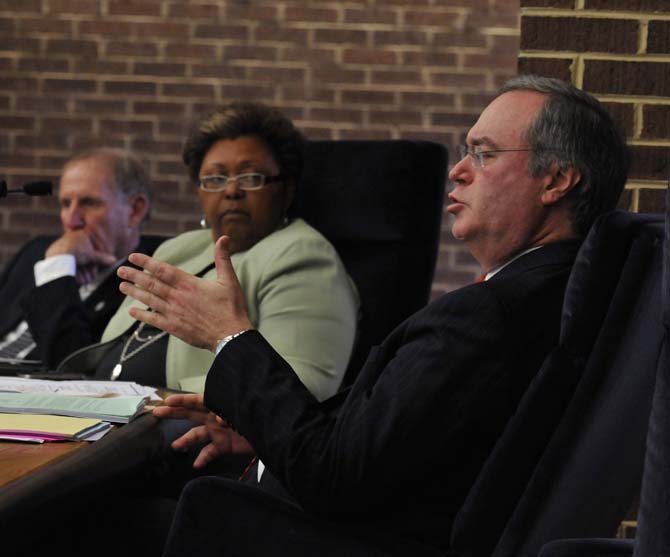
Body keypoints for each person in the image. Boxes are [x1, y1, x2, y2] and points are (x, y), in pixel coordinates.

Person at [119, 75, 629, 553]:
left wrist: (228, 336)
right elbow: (396, 445)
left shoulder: (489, 317)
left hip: (332, 536)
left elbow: (334, 477)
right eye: (465, 152)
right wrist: (267, 431)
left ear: (556, 180)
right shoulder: (554, 297)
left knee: (91, 517)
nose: (458, 170)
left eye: (484, 154)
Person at [96, 102, 358, 395]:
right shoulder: (177, 249)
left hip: (177, 428)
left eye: (250, 178)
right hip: (101, 407)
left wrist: (160, 402)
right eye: (215, 179)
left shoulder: (302, 256)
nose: (232, 191)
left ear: (286, 189)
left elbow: (302, 387)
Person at [0, 148, 160, 369]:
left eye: (89, 203)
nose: (72, 221)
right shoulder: (36, 252)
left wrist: (57, 269)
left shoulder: (146, 284)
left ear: (135, 210)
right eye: (66, 204)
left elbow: (71, 368)